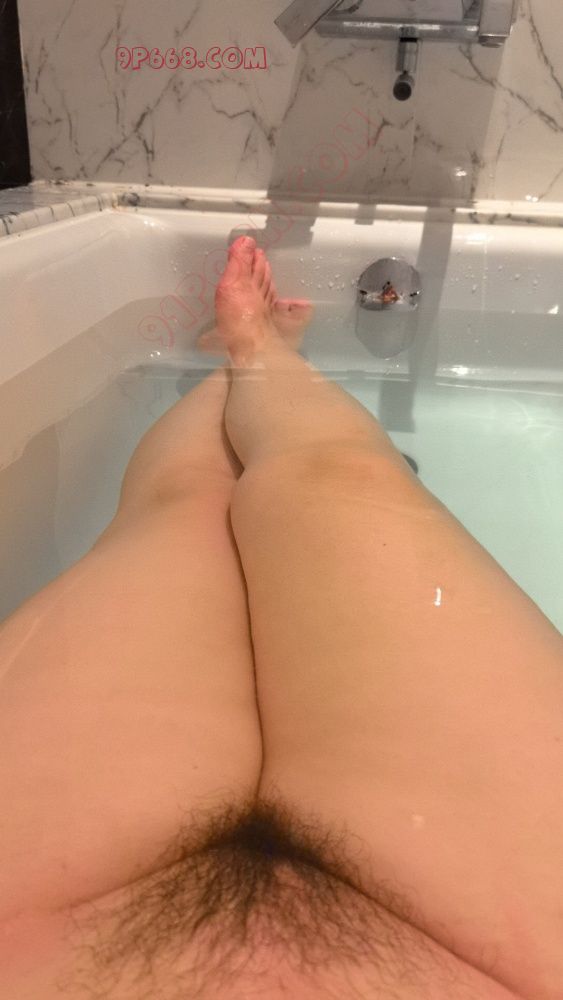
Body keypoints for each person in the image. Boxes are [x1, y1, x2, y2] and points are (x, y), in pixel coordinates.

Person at [0, 235, 562, 1000]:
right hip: (522, 959)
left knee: (184, 508)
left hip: (25, 929)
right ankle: (255, 355)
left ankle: (246, 357)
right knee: (338, 477)